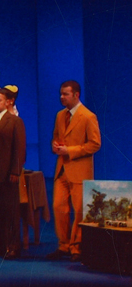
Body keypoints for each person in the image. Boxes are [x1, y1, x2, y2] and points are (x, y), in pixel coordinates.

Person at [47, 80, 101, 262]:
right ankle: (63, 245)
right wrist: (55, 145)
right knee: (58, 207)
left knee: (79, 211)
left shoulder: (88, 116)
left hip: (79, 171)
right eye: (61, 94)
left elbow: (95, 144)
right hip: (62, 170)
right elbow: (56, 136)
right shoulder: (60, 115)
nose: (62, 97)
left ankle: (76, 247)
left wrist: (70, 151)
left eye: (65, 94)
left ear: (76, 95)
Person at [0, 87, 25, 259]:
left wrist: (15, 171)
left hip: (8, 173)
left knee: (11, 212)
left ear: (8, 102)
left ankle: (13, 246)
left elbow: (20, 148)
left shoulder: (15, 121)